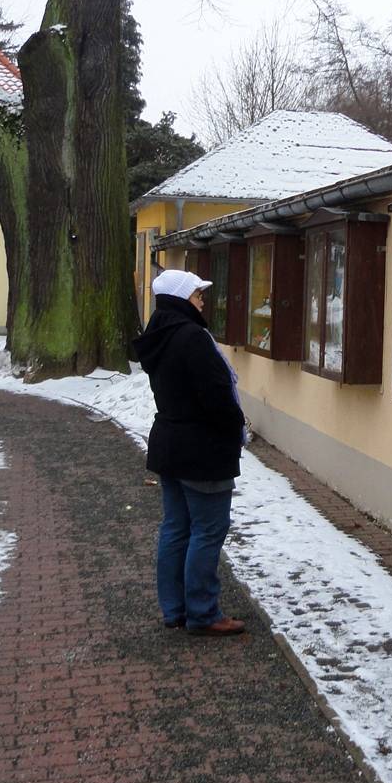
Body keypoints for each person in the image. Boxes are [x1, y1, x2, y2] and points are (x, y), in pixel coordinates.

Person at [131, 268, 248, 637]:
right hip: (202, 449)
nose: (202, 301)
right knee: (208, 529)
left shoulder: (161, 335)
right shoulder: (192, 338)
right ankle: (202, 612)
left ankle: (175, 608)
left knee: (177, 528)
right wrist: (236, 425)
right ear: (182, 298)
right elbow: (215, 395)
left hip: (171, 443)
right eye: (198, 294)